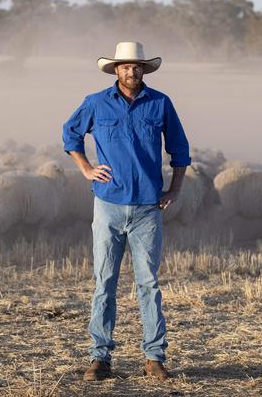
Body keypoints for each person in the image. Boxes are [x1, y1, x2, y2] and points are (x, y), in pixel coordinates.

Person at [62, 41, 191, 382]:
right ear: (115, 70)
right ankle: (100, 358)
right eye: (125, 66)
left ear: (144, 70)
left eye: (137, 66)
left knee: (148, 283)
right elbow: (70, 134)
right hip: (108, 205)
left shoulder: (161, 103)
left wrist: (175, 189)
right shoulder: (96, 103)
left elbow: (180, 149)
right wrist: (86, 168)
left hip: (148, 207)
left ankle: (154, 357)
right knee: (104, 281)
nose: (131, 71)